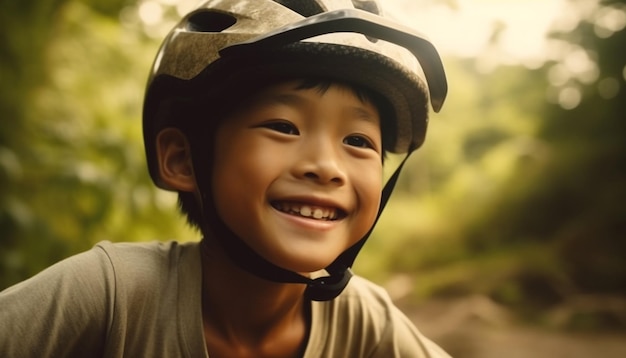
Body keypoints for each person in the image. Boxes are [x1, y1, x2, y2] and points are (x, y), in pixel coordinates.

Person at [0, 0, 450, 356]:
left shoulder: (364, 321)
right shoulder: (112, 296)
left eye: (358, 141)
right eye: (283, 126)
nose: (327, 167)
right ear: (182, 159)